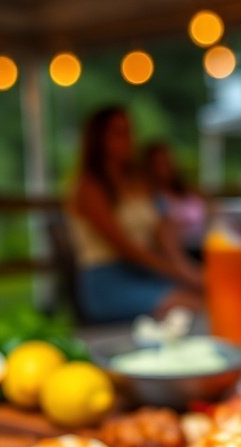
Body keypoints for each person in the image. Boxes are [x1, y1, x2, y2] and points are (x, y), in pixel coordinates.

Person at [68, 107, 204, 323]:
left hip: (146, 271)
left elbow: (165, 238)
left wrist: (189, 272)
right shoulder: (89, 188)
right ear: (99, 139)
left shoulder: (138, 184)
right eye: (118, 132)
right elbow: (125, 248)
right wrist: (177, 272)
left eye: (129, 131)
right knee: (188, 304)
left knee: (204, 297)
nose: (128, 139)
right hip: (108, 281)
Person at [143, 140, 207, 260]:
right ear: (150, 167)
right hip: (183, 252)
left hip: (204, 245)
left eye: (167, 161)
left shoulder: (188, 192)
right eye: (159, 163)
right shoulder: (152, 197)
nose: (165, 167)